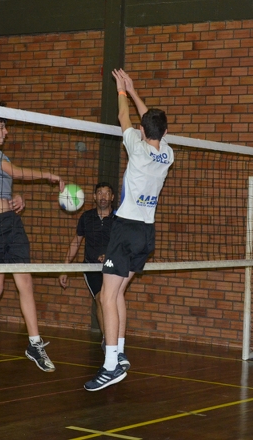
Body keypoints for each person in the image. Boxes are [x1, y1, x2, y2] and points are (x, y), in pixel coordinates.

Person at [84, 69, 174, 392]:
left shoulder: (136, 147)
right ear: (165, 132)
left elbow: (124, 116)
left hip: (125, 229)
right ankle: (120, 353)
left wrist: (122, 90)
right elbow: (146, 122)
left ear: (142, 130)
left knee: (107, 296)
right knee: (118, 293)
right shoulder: (168, 154)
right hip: (147, 234)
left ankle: (110, 366)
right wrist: (134, 93)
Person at [0, 106, 65, 373]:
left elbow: (3, 185)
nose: (6, 132)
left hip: (11, 224)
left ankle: (35, 344)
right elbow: (15, 172)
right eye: (1, 127)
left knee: (25, 282)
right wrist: (48, 175)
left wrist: (17, 199)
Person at [59, 183, 116, 345]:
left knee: (111, 301)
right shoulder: (86, 217)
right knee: (100, 298)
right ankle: (107, 341)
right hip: (91, 267)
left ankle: (114, 339)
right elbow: (76, 242)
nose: (103, 196)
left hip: (112, 267)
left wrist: (109, 255)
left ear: (112, 197)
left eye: (107, 193)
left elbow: (122, 245)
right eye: (100, 193)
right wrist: (65, 268)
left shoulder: (118, 219)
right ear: (94, 197)